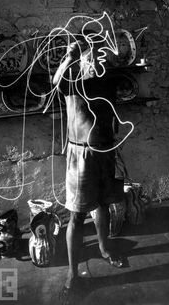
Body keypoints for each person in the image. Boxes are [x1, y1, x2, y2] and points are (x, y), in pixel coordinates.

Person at [52, 32, 127, 298]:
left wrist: (113, 144)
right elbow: (56, 82)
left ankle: (104, 249)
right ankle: (73, 273)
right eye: (89, 53)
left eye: (98, 52)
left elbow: (111, 114)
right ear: (81, 59)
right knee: (77, 214)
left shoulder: (106, 81)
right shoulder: (73, 82)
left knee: (104, 204)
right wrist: (70, 57)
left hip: (105, 152)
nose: (94, 57)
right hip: (80, 156)